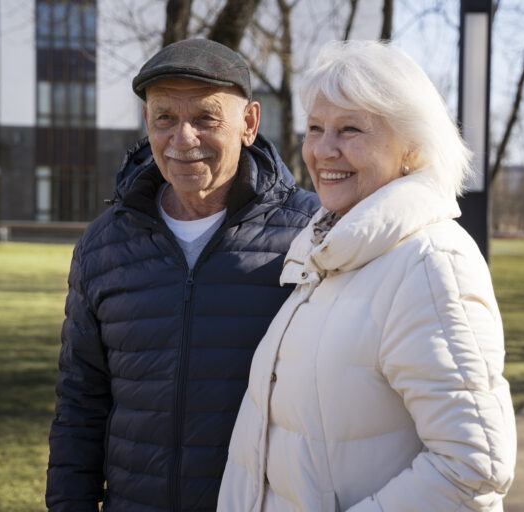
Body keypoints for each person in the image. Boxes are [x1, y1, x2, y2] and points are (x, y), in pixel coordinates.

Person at [217, 40, 517, 512]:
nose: (322, 150)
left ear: (410, 148)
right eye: (315, 128)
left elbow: (473, 467)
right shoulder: (331, 254)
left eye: (350, 129)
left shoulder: (430, 262)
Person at [45, 38, 319, 512]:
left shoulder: (311, 235)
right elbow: (80, 403)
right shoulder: (104, 244)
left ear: (249, 123)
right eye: (164, 118)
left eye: (206, 118)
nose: (183, 138)